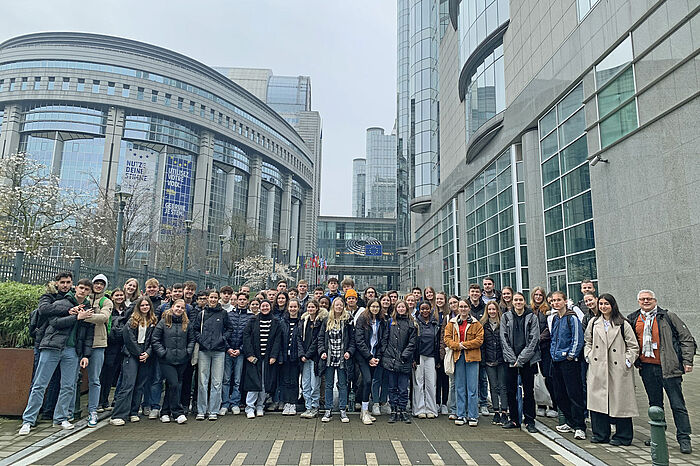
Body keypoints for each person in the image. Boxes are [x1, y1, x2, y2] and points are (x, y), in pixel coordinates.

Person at [19, 279, 94, 435]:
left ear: (89, 292)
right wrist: (76, 317)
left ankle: (60, 418)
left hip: (72, 350)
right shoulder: (64, 302)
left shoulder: (87, 308)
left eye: (87, 289)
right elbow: (55, 322)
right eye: (81, 288)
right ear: (76, 288)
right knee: (40, 384)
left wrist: (86, 354)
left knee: (68, 385)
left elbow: (88, 334)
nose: (83, 291)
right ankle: (28, 420)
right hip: (52, 346)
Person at [628, 290, 695, 454]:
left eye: (649, 299)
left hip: (669, 367)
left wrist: (687, 361)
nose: (645, 301)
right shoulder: (633, 318)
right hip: (647, 368)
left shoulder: (668, 316)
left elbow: (686, 338)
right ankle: (658, 436)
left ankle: (684, 439)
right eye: (642, 299)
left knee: (677, 405)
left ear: (655, 300)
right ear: (638, 301)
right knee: (655, 405)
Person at [584, 294, 639, 445]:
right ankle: (601, 434)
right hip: (598, 367)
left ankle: (623, 436)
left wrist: (627, 361)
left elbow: (633, 346)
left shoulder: (623, 323)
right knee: (597, 401)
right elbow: (587, 341)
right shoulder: (594, 322)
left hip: (618, 368)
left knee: (621, 402)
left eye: (606, 304)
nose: (603, 307)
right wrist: (588, 355)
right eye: (601, 304)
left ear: (612, 305)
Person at [109, 296, 157, 426]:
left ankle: (133, 412)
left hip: (145, 354)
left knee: (140, 385)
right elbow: (128, 338)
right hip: (131, 354)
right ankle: (118, 414)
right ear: (138, 307)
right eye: (142, 305)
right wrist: (138, 353)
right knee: (128, 384)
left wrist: (147, 353)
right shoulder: (131, 321)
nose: (145, 307)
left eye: (147, 305)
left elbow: (154, 339)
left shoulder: (153, 321)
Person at [500, 292, 540, 433]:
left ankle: (530, 421)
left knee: (529, 391)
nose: (518, 302)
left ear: (524, 302)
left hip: (527, 361)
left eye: (520, 300)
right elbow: (503, 339)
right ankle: (514, 419)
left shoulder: (532, 317)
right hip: (510, 360)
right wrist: (512, 359)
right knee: (511, 391)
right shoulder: (506, 317)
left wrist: (521, 359)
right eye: (516, 300)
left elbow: (534, 339)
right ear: (512, 302)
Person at [550, 291, 586, 440]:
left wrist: (571, 355)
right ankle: (570, 422)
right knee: (559, 394)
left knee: (574, 394)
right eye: (553, 301)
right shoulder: (555, 319)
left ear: (565, 301)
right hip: (556, 360)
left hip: (568, 361)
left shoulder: (572, 318)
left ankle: (579, 426)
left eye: (559, 300)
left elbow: (578, 339)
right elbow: (553, 338)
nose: (556, 303)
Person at [192, 289, 233, 421]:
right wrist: (201, 340)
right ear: (208, 299)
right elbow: (195, 330)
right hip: (204, 351)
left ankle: (213, 410)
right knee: (202, 381)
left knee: (217, 382)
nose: (213, 300)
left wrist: (222, 339)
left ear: (218, 298)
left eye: (215, 297)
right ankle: (201, 410)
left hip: (219, 351)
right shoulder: (202, 314)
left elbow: (229, 329)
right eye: (211, 297)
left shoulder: (223, 314)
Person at [152, 299, 195, 424]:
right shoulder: (163, 322)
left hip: (182, 359)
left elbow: (191, 339)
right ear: (172, 307)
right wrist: (162, 353)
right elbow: (155, 339)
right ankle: (177, 412)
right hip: (167, 360)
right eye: (177, 307)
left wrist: (188, 352)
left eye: (182, 308)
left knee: (173, 386)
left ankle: (165, 412)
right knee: (174, 384)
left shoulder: (187, 323)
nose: (179, 309)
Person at [444, 299, 484, 426]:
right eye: (461, 307)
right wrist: (457, 346)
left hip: (472, 358)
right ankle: (461, 414)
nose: (463, 309)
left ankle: (472, 415)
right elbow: (447, 338)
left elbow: (479, 340)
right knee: (460, 387)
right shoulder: (452, 323)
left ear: (469, 308)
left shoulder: (476, 324)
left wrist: (464, 345)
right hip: (458, 357)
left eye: (465, 306)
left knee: (472, 388)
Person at [242, 300, 282, 419]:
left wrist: (273, 356)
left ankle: (260, 406)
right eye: (262, 306)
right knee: (253, 383)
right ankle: (250, 407)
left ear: (270, 307)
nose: (265, 308)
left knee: (264, 383)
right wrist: (249, 354)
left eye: (267, 306)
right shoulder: (253, 320)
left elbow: (277, 340)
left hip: (267, 357)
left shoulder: (275, 322)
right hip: (254, 357)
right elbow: (246, 336)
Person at [319, 297, 355, 423]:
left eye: (341, 305)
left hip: (342, 358)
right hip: (329, 357)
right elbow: (320, 339)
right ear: (333, 306)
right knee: (328, 384)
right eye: (336, 305)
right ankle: (328, 409)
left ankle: (342, 409)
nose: (339, 307)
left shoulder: (347, 320)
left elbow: (352, 339)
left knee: (342, 384)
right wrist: (322, 351)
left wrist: (349, 352)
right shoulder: (326, 320)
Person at [84, 274, 113, 427]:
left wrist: (82, 316)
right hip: (79, 343)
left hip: (98, 343)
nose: (99, 286)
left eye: (102, 284)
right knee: (71, 380)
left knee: (95, 379)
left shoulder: (106, 301)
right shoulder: (84, 298)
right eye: (96, 283)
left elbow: (103, 317)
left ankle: (93, 410)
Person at [382, 299, 416, 424]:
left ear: (407, 309)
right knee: (392, 387)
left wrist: (405, 355)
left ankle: (402, 410)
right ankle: (394, 410)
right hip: (390, 359)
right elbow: (385, 339)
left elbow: (412, 342)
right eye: (399, 307)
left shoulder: (411, 323)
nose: (401, 309)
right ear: (395, 309)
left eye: (403, 307)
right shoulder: (390, 322)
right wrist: (386, 353)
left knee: (403, 388)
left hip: (404, 360)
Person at [355, 298, 387, 424]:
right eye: (373, 306)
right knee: (367, 380)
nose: (375, 308)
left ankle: (364, 409)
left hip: (375, 356)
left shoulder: (382, 321)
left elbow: (383, 339)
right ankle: (364, 411)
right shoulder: (362, 319)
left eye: (377, 307)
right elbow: (359, 340)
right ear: (369, 307)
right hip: (364, 356)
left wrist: (377, 356)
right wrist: (369, 357)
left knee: (366, 382)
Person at [221, 291, 252, 415]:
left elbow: (249, 337)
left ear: (247, 301)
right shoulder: (228, 315)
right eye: (240, 299)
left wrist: (240, 349)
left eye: (244, 299)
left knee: (238, 379)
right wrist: (228, 348)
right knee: (226, 379)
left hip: (240, 352)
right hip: (228, 351)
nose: (242, 301)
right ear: (236, 301)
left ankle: (235, 403)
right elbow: (224, 333)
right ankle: (225, 403)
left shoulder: (250, 317)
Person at [99, 288, 128, 412]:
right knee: (103, 374)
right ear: (112, 297)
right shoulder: (109, 310)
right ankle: (100, 401)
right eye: (117, 295)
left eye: (121, 295)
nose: (119, 297)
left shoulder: (126, 311)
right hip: (108, 344)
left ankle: (106, 401)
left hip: (120, 346)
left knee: (111, 375)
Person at [297, 299, 327, 418]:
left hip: (314, 358)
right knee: (305, 383)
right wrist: (302, 354)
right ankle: (308, 406)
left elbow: (317, 341)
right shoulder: (303, 321)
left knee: (315, 384)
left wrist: (308, 354)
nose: (310, 309)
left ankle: (315, 406)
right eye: (309, 307)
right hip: (304, 358)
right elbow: (299, 339)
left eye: (313, 307)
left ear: (317, 309)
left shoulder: (320, 322)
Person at [530, 286, 557, 418]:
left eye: (540, 295)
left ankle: (552, 404)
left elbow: (549, 328)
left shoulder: (548, 311)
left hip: (544, 347)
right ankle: (541, 404)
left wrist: (539, 339)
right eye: (536, 295)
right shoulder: (530, 310)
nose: (538, 297)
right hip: (533, 350)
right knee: (536, 377)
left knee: (548, 376)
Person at [480, 301, 507, 425]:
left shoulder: (503, 323)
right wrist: (484, 361)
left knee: (503, 386)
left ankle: (504, 412)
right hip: (489, 361)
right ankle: (496, 412)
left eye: (494, 309)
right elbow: (482, 345)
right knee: (493, 387)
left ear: (497, 310)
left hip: (501, 360)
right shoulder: (483, 325)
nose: (492, 311)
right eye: (489, 309)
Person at [413, 301, 440, 419]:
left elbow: (438, 342)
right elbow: (412, 341)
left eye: (427, 309)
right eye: (422, 309)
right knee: (418, 383)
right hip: (419, 356)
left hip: (431, 356)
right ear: (419, 309)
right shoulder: (415, 322)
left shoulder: (435, 323)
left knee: (431, 383)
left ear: (430, 309)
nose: (425, 311)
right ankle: (419, 409)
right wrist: (413, 358)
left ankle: (431, 409)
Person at [467, 284, 488, 416]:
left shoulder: (485, 308)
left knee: (482, 377)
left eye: (477, 292)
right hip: (468, 349)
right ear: (469, 293)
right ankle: (472, 402)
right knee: (469, 379)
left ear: (480, 294)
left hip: (483, 347)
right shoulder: (465, 307)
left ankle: (484, 402)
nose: (474, 294)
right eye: (472, 291)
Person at [279, 298, 302, 415]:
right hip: (284, 356)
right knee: (285, 380)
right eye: (291, 307)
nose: (293, 309)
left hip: (295, 356)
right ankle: (286, 402)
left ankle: (293, 403)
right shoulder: (283, 322)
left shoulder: (301, 321)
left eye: (295, 307)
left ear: (298, 308)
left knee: (294, 380)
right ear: (288, 308)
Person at [440, 295, 460, 419]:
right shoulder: (447, 318)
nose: (453, 305)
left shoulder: (467, 317)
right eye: (451, 303)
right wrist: (443, 352)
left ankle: (462, 407)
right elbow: (443, 335)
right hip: (451, 352)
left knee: (462, 382)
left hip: (464, 352)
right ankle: (453, 408)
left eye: (455, 302)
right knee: (452, 382)